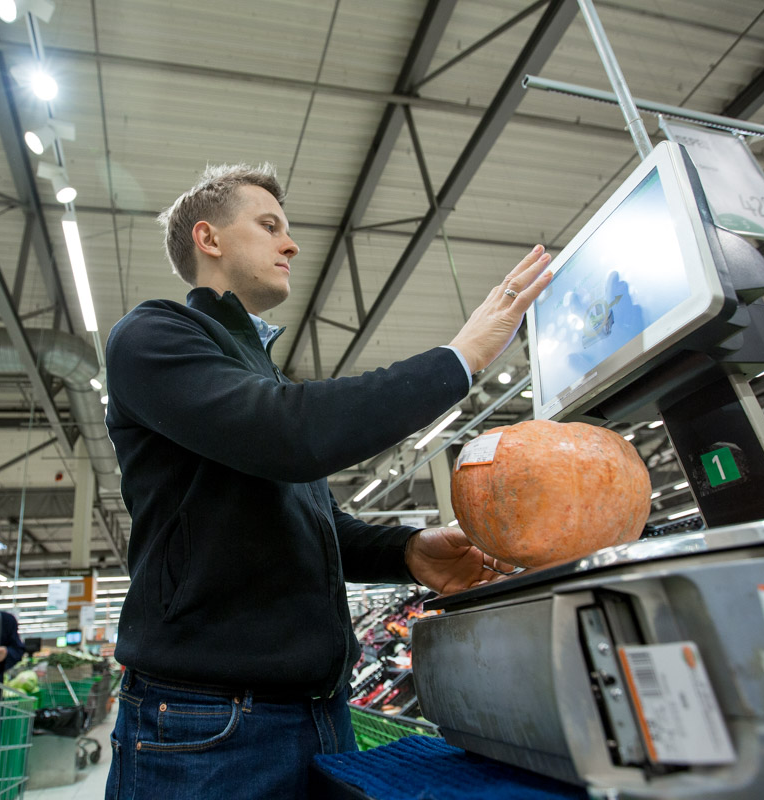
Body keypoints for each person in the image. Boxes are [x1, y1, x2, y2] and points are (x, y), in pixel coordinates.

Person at [103, 163, 552, 799]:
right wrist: (462, 357)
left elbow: (312, 526)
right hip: (207, 725)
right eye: (269, 226)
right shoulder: (153, 337)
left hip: (317, 712)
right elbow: (293, 437)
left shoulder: (257, 374)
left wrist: (405, 551)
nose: (290, 244)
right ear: (209, 239)